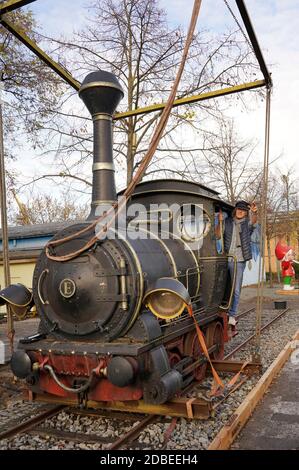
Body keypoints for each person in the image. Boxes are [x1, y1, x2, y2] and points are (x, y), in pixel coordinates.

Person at [217, 201, 258, 335]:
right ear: (235, 210)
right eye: (239, 209)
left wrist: (254, 212)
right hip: (226, 258)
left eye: (243, 210)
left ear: (246, 212)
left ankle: (232, 315)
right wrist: (220, 222)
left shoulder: (247, 224)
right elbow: (217, 235)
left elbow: (253, 221)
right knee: (223, 286)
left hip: (239, 260)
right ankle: (221, 310)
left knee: (236, 288)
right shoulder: (228, 222)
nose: (240, 211)